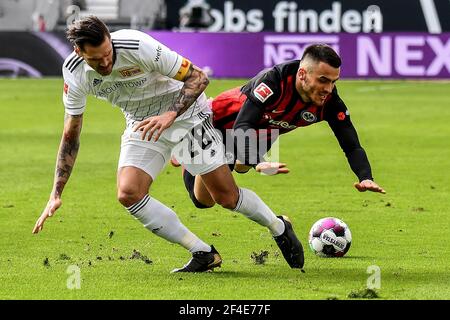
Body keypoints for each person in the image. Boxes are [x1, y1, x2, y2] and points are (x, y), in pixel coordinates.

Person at [32, 16, 304, 273]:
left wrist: (170, 115)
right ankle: (203, 253)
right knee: (128, 192)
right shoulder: (74, 72)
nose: (106, 63)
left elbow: (198, 77)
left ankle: (278, 226)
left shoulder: (136, 45)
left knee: (225, 198)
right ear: (79, 52)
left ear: (110, 39)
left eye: (108, 54)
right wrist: (56, 192)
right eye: (97, 60)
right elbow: (71, 134)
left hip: (187, 116)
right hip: (142, 123)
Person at [178, 44, 385, 211]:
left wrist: (365, 177)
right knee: (204, 201)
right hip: (218, 124)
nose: (328, 89)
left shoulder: (330, 103)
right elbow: (243, 124)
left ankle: (232, 159)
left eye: (333, 82)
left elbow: (351, 145)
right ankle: (186, 147)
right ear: (302, 74)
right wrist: (257, 161)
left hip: (262, 133)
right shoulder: (274, 81)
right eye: (323, 80)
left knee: (241, 166)